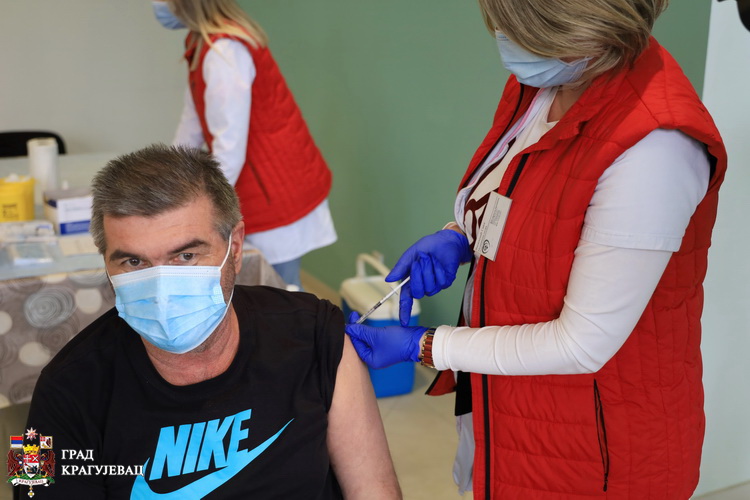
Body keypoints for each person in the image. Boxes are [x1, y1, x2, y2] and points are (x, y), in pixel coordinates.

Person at [345, 0, 727, 498]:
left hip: (600, 450)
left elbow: (581, 342)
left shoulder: (654, 149)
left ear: (574, 29)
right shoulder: (547, 83)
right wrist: (461, 237)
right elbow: (529, 200)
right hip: (515, 410)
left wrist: (426, 346)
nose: (502, 39)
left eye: (515, 28)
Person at [18, 145, 400, 499]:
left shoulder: (317, 331)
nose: (162, 288)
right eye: (134, 262)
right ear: (105, 261)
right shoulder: (58, 390)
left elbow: (375, 490)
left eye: (186, 256)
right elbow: (29, 483)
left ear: (235, 247)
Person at [153, 0, 337, 289]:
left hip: (273, 189)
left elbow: (229, 147)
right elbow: (192, 123)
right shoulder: (201, 43)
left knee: (280, 289)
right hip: (260, 183)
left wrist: (198, 207)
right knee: (270, 288)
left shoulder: (224, 51)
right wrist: (168, 180)